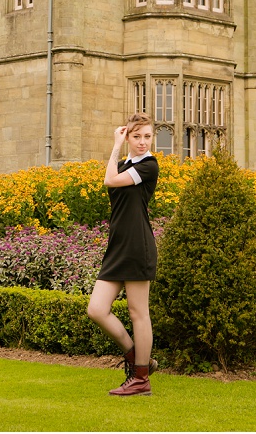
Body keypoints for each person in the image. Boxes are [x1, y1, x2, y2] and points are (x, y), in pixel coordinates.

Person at [86, 112, 161, 397]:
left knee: (138, 312)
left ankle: (141, 379)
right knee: (96, 309)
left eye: (147, 136)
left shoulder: (148, 166)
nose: (142, 142)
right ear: (128, 135)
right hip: (118, 246)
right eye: (136, 136)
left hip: (137, 245)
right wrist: (118, 149)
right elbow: (112, 175)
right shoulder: (123, 165)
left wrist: (116, 145)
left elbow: (109, 181)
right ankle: (138, 359)